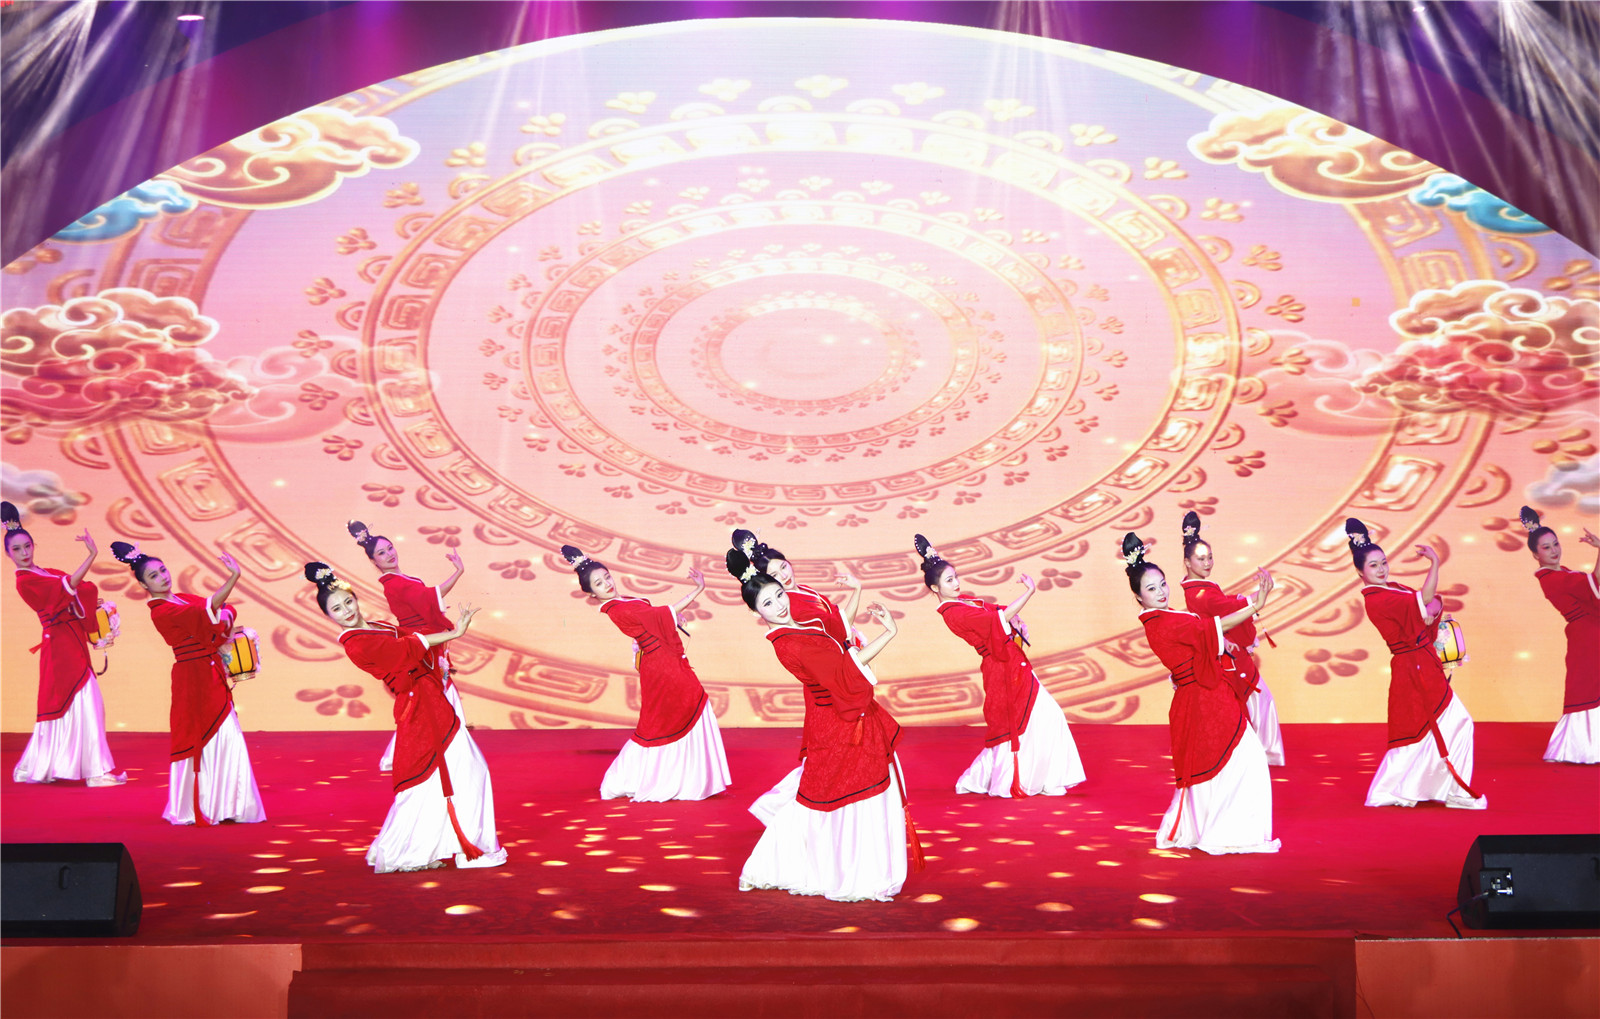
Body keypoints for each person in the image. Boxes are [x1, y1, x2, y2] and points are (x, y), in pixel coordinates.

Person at [727, 546, 921, 901]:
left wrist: (856, 595)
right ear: (756, 612)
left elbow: (840, 645)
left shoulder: (800, 625)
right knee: (848, 793)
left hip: (834, 713)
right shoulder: (790, 644)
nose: (779, 605)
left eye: (779, 594)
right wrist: (889, 633)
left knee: (840, 793)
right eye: (768, 603)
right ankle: (850, 871)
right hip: (838, 719)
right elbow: (845, 671)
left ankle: (849, 867)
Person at [305, 561, 506, 872]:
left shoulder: (376, 626)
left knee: (445, 778)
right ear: (328, 616)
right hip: (420, 708)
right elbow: (408, 648)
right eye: (337, 609)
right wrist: (455, 633)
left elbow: (414, 636)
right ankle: (463, 851)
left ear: (356, 599)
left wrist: (443, 634)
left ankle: (422, 850)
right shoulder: (356, 644)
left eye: (348, 602)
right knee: (465, 772)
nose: (346, 611)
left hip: (428, 699)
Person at [1123, 532, 1280, 854]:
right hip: (1205, 700)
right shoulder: (1163, 622)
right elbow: (1215, 626)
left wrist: (1221, 645)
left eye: (1162, 584)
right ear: (1138, 597)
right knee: (1245, 760)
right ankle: (1226, 832)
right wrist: (1255, 604)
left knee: (1233, 764)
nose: (1161, 592)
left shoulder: (1163, 617)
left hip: (1204, 696)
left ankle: (1213, 829)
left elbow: (1202, 638)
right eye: (1151, 589)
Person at [913, 533, 1085, 798]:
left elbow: (994, 610)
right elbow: (998, 619)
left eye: (955, 577)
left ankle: (1047, 779)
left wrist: (1016, 620)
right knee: (1036, 718)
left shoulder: (961, 601)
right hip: (1001, 667)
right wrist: (1028, 592)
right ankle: (1033, 780)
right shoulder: (953, 613)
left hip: (1010, 661)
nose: (956, 583)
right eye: (949, 580)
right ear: (935, 588)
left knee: (1041, 716)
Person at [111, 541, 264, 825]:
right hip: (193, 680)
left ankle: (229, 806)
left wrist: (221, 615)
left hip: (210, 672)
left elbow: (223, 609)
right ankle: (203, 806)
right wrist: (234, 577)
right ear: (144, 585)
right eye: (153, 576)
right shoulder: (160, 611)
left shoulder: (180, 598)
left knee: (227, 735)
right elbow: (210, 609)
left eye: (162, 570)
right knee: (206, 737)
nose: (162, 577)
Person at [561, 545, 729, 802]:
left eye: (607, 577)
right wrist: (698, 589)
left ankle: (681, 779)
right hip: (662, 667)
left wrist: (672, 620)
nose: (607, 584)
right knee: (678, 713)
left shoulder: (622, 601)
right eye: (599, 583)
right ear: (592, 593)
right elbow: (659, 615)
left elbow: (653, 620)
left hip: (661, 661)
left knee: (677, 714)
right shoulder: (618, 608)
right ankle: (665, 780)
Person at [1346, 518, 1486, 808]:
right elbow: (1426, 600)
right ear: (1360, 572)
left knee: (1424, 729)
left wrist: (1428, 610)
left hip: (1419, 663)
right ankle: (1451, 793)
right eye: (1373, 565)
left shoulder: (1390, 589)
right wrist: (1434, 563)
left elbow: (1426, 607)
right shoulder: (1378, 599)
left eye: (1383, 562)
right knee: (1447, 724)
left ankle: (1407, 789)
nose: (1382, 569)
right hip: (1415, 667)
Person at [4, 501, 124, 786]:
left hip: (69, 639)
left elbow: (79, 589)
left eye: (27, 546)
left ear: (34, 545)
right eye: (17, 549)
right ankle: (95, 773)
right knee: (87, 701)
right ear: (8, 554)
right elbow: (68, 586)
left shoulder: (44, 571)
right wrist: (91, 555)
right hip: (60, 644)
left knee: (77, 702)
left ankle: (41, 766)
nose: (24, 553)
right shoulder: (25, 581)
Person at [346, 520, 470, 773]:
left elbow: (425, 603)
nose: (389, 554)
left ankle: (428, 751)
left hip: (428, 641)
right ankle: (436, 752)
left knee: (435, 698)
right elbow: (430, 597)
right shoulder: (394, 583)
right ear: (374, 561)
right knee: (439, 696)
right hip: (422, 644)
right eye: (381, 553)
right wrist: (458, 572)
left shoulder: (401, 579)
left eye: (390, 548)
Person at [1178, 511, 1285, 765]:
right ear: (1188, 562)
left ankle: (1255, 754)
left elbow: (1224, 605)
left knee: (1252, 702)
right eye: (1201, 559)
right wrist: (1256, 598)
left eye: (1210, 557)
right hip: (1228, 658)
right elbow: (1226, 607)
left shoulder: (1200, 588)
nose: (1208, 563)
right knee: (1257, 701)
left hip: (1225, 651)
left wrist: (1247, 600)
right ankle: (1262, 754)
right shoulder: (1200, 594)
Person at [1519, 507, 1599, 764]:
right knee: (1586, 690)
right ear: (1535, 555)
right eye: (1546, 547)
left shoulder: (1561, 572)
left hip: (1590, 633)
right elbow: (1594, 584)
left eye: (1555, 544)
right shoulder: (1551, 579)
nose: (1554, 550)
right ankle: (1579, 749)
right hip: (1587, 638)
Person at [731, 528, 862, 648]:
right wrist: (857, 590)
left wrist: (852, 629)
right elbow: (836, 628)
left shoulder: (802, 588)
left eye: (783, 567)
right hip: (838, 650)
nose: (784, 576)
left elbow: (834, 614)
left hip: (849, 642)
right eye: (774, 575)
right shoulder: (789, 605)